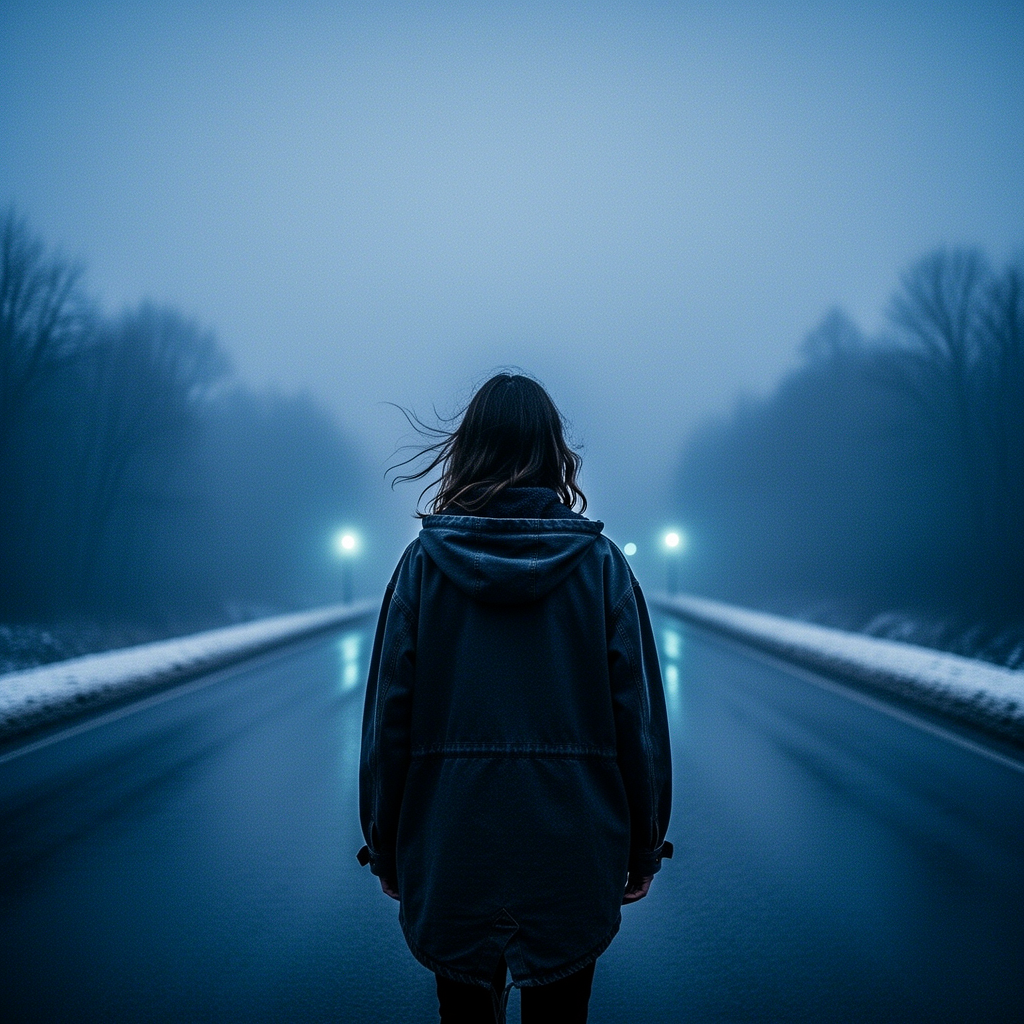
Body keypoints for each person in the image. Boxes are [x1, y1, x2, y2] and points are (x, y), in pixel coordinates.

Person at [358, 373, 672, 1023]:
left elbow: (389, 719)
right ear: (554, 454)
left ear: (468, 450)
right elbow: (635, 722)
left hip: (454, 849)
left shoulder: (421, 567)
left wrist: (385, 844)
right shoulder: (604, 567)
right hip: (571, 855)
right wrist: (644, 843)